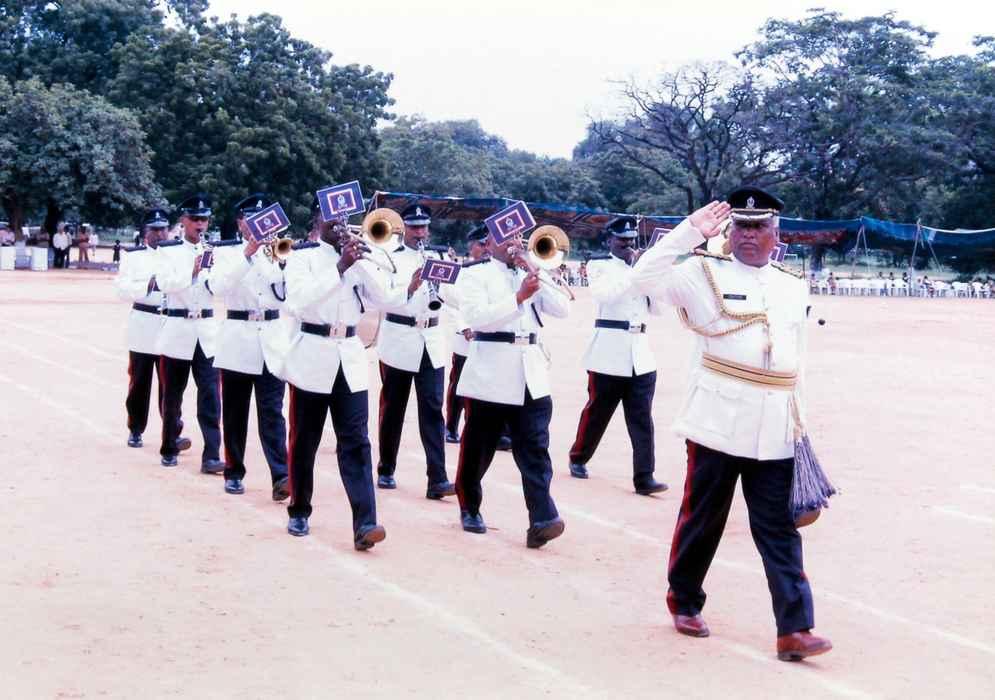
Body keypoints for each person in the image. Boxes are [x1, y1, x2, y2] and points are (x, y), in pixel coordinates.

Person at [632, 186, 831, 662]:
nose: (749, 235)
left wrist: (800, 424)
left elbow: (797, 360)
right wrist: (688, 233)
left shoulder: (791, 285)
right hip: (717, 422)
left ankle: (794, 629)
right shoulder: (703, 273)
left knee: (779, 529)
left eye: (759, 226)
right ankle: (684, 601)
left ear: (775, 234)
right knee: (703, 518)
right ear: (729, 229)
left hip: (776, 425)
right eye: (741, 225)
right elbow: (643, 279)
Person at [281, 204, 396, 549]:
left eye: (344, 218)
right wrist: (340, 267)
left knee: (357, 442)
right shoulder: (302, 257)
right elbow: (298, 303)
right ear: (317, 220)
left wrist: (362, 262)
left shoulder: (361, 256)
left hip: (349, 354)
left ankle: (366, 523)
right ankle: (299, 509)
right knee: (305, 439)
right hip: (313, 352)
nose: (339, 224)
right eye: (331, 217)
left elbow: (386, 298)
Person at [454, 223, 570, 548]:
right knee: (478, 449)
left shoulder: (531, 271)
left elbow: (563, 309)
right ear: (489, 242)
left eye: (518, 236)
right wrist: (518, 297)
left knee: (535, 449)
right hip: (491, 371)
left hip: (530, 371)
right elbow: (477, 318)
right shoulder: (475, 274)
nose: (513, 243)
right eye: (505, 237)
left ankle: (542, 519)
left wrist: (535, 271)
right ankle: (469, 505)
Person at [567, 216, 668, 495]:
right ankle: (578, 457)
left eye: (631, 241)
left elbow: (659, 309)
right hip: (608, 352)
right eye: (622, 241)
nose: (628, 245)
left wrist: (649, 276)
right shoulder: (599, 265)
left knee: (642, 419)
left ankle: (644, 477)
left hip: (640, 353)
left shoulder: (639, 269)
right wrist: (636, 273)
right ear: (609, 240)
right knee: (598, 412)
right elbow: (606, 296)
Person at [208, 194, 290, 501]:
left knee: (272, 412)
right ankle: (234, 471)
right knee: (235, 412)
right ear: (240, 223)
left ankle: (281, 475)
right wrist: (249, 253)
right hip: (238, 337)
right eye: (250, 219)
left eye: (263, 219)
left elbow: (287, 293)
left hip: (271, 338)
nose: (257, 226)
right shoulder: (226, 252)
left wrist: (278, 259)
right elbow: (218, 287)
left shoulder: (282, 250)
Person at [373, 203, 456, 499]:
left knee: (433, 410)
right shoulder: (389, 258)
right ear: (404, 228)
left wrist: (440, 285)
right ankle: (386, 468)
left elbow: (454, 298)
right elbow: (382, 299)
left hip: (430, 341)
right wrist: (410, 287)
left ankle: (438, 479)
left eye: (423, 227)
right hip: (399, 339)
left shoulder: (438, 257)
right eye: (414, 227)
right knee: (393, 409)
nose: (420, 233)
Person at [155, 194, 223, 473]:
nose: (200, 224)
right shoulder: (168, 251)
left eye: (204, 219)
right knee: (173, 394)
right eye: (195, 219)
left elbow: (219, 287)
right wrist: (192, 272)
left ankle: (212, 455)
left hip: (205, 330)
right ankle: (169, 446)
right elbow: (164, 283)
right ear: (183, 220)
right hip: (178, 327)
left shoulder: (215, 251)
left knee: (211, 396)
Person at [113, 208, 191, 454]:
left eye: (163, 229)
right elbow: (121, 288)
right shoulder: (133, 257)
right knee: (140, 381)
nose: (159, 234)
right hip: (144, 325)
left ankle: (173, 431)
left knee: (171, 386)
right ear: (144, 232)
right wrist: (146, 285)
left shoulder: (178, 254)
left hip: (171, 323)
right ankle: (136, 427)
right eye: (154, 230)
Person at [444, 224, 488, 443]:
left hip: (490, 339)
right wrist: (464, 327)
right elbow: (451, 303)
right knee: (459, 385)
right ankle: (451, 427)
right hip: (465, 338)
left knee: (487, 386)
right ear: (471, 247)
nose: (486, 248)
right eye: (482, 244)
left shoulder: (495, 271)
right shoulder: (460, 272)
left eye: (488, 244)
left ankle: (485, 431)